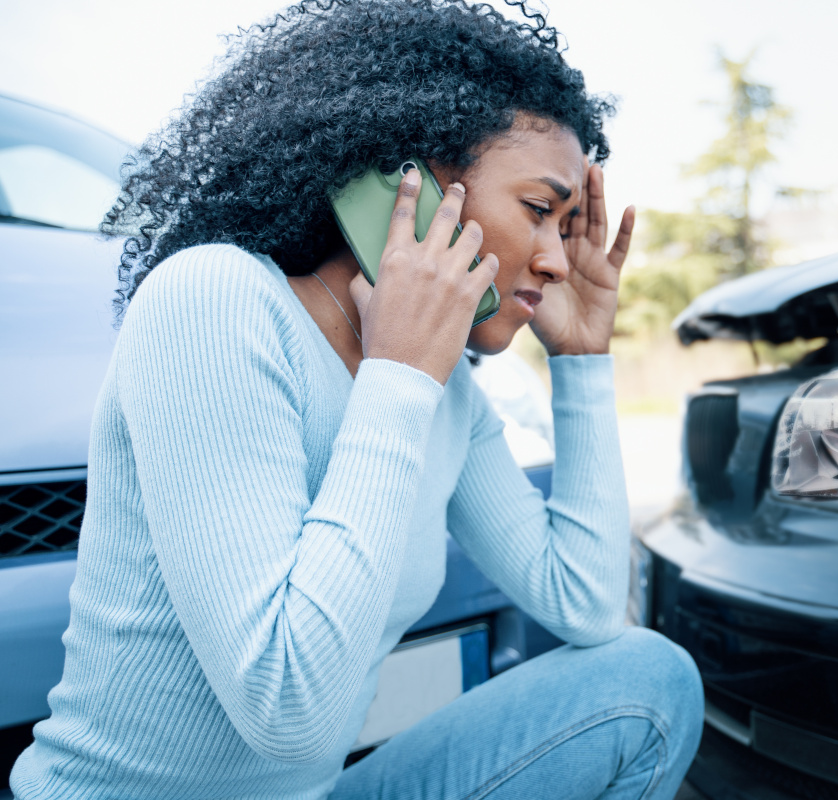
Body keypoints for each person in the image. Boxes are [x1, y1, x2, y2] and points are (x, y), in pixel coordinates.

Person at [9, 1, 703, 798]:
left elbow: (582, 608)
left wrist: (582, 366)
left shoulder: (448, 397)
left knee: (648, 679)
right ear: (404, 183)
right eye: (540, 212)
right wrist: (399, 377)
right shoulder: (214, 301)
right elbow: (288, 710)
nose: (554, 261)